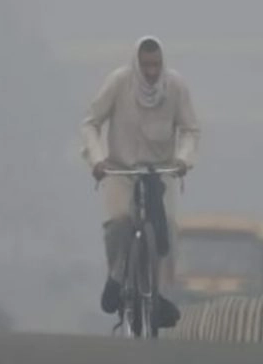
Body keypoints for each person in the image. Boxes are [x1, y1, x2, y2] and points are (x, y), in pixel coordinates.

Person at [80, 36, 201, 329]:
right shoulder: (119, 83)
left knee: (166, 228)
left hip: (160, 173)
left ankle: (156, 293)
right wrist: (97, 160)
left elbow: (190, 129)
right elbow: (91, 123)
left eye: (156, 65)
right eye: (146, 65)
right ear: (136, 64)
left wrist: (183, 159)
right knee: (119, 222)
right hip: (121, 172)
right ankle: (116, 275)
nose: (151, 72)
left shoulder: (175, 87)